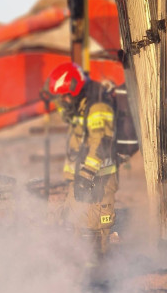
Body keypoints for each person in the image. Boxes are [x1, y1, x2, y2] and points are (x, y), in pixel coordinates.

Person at [42, 61, 118, 258]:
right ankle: (80, 272)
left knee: (95, 230)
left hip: (99, 179)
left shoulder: (98, 105)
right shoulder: (79, 105)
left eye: (65, 96)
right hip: (81, 178)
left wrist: (86, 174)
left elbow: (100, 142)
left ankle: (101, 275)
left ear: (75, 90)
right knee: (75, 224)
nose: (63, 101)